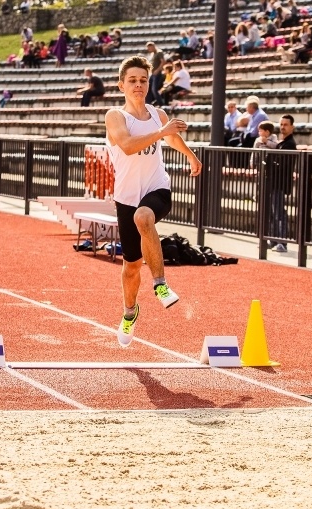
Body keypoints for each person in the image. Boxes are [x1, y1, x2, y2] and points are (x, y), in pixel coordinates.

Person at [105, 55, 202, 347]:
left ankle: (160, 284)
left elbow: (171, 139)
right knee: (131, 266)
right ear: (121, 85)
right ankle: (129, 311)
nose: (138, 85)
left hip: (157, 189)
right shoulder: (116, 117)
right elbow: (129, 145)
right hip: (126, 196)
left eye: (143, 80)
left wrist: (190, 154)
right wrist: (161, 132)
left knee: (144, 217)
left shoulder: (157, 113)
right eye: (132, 80)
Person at [265, 115, 298, 253]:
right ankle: (273, 239)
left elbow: (282, 165)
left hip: (280, 183)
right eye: (281, 124)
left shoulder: (290, 144)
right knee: (273, 213)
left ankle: (282, 242)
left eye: (286, 124)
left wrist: (269, 163)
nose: (283, 127)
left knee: (279, 213)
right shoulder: (282, 142)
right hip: (274, 182)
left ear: (292, 127)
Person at [145, 42, 166, 107]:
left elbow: (163, 61)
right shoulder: (152, 54)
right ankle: (148, 104)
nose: (149, 49)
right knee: (148, 88)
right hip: (152, 74)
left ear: (153, 46)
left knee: (154, 89)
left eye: (149, 48)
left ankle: (161, 103)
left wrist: (158, 70)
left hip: (157, 73)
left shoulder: (159, 52)